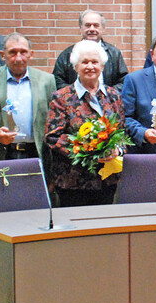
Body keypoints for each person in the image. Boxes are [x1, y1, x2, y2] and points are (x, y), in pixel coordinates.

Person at [46, 40, 124, 207]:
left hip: (106, 181)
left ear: (102, 66)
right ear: (75, 67)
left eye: (94, 62)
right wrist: (88, 150)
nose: (90, 66)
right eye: (84, 62)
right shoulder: (62, 97)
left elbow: (123, 133)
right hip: (73, 183)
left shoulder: (113, 96)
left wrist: (117, 149)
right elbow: (52, 137)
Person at [0, 32, 57, 161]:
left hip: (36, 154)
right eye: (13, 52)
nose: (18, 58)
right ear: (2, 55)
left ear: (31, 54)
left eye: (23, 52)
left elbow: (54, 120)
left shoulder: (47, 80)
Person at [52, 9, 129, 92]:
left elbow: (124, 81)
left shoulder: (114, 54)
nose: (92, 29)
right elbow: (57, 81)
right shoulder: (67, 54)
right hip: (75, 103)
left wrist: (105, 94)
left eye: (96, 25)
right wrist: (77, 94)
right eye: (87, 25)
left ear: (103, 28)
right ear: (80, 28)